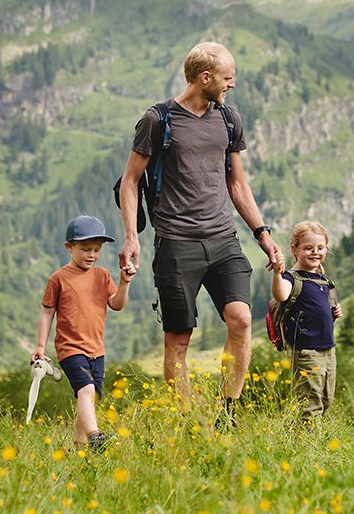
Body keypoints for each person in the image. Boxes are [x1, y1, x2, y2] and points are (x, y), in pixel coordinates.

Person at [118, 42, 284, 424]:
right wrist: (131, 236)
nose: (233, 85)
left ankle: (229, 412)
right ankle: (188, 421)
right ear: (205, 78)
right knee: (178, 340)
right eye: (228, 78)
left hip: (223, 238)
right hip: (176, 243)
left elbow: (237, 184)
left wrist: (262, 234)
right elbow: (130, 181)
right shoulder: (158, 120)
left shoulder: (228, 119)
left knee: (241, 320)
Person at [33, 215, 135, 450]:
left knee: (89, 397)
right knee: (86, 390)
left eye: (97, 250)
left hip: (97, 350)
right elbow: (47, 313)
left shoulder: (102, 276)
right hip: (70, 349)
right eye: (85, 249)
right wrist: (40, 346)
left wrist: (125, 283)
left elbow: (117, 304)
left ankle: (79, 447)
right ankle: (96, 436)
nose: (91, 255)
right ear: (69, 247)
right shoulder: (58, 278)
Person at [269, 221, 343, 419]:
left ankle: (295, 435)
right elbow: (281, 295)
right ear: (295, 249)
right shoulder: (290, 278)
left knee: (326, 400)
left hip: (328, 348)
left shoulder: (323, 280)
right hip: (305, 350)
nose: (315, 252)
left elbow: (317, 311)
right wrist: (277, 273)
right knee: (310, 404)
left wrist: (333, 313)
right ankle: (309, 444)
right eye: (308, 248)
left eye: (320, 248)